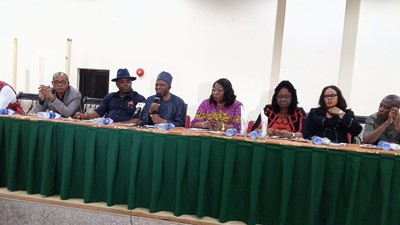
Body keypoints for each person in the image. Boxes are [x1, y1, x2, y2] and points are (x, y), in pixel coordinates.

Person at [73, 68, 146, 123]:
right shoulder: (110, 97)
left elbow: (139, 119)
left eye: (128, 81)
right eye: (122, 82)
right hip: (109, 129)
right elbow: (98, 113)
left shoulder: (139, 99)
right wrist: (84, 116)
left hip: (128, 132)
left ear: (131, 83)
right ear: (117, 84)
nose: (125, 84)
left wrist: (118, 124)